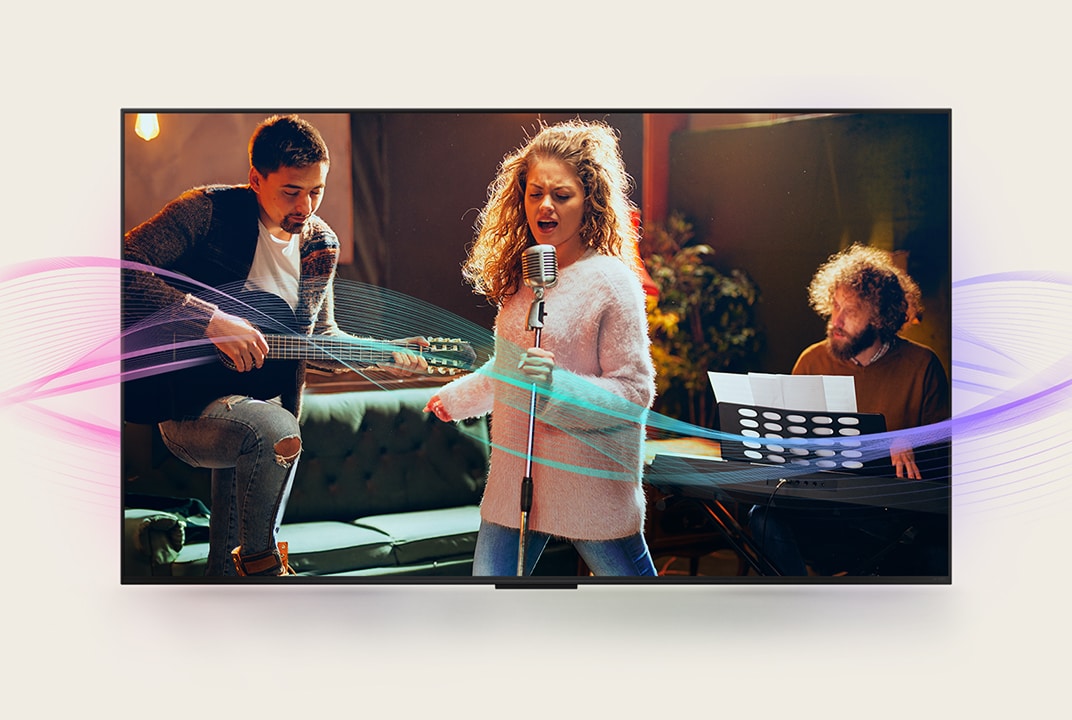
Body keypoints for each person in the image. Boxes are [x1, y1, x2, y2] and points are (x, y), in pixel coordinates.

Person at [123, 114, 427, 577]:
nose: (306, 206)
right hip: (187, 409)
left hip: (267, 415)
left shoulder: (320, 243)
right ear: (255, 180)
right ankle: (266, 570)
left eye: (316, 190)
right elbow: (123, 268)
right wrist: (210, 320)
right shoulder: (205, 212)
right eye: (291, 191)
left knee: (227, 567)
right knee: (274, 431)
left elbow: (318, 339)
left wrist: (382, 354)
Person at [423, 120, 658, 576]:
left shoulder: (612, 283)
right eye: (535, 193)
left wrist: (557, 388)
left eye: (561, 195)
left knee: (639, 609)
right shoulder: (524, 282)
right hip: (515, 481)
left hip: (588, 485)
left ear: (589, 200)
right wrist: (457, 398)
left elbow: (633, 394)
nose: (545, 205)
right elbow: (511, 369)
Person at [748, 243, 950, 576]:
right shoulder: (812, 360)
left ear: (880, 317)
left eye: (851, 311)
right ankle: (797, 608)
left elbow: (946, 456)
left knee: (939, 553)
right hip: (823, 512)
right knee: (763, 515)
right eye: (835, 306)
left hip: (889, 520)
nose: (835, 320)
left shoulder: (921, 365)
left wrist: (910, 439)